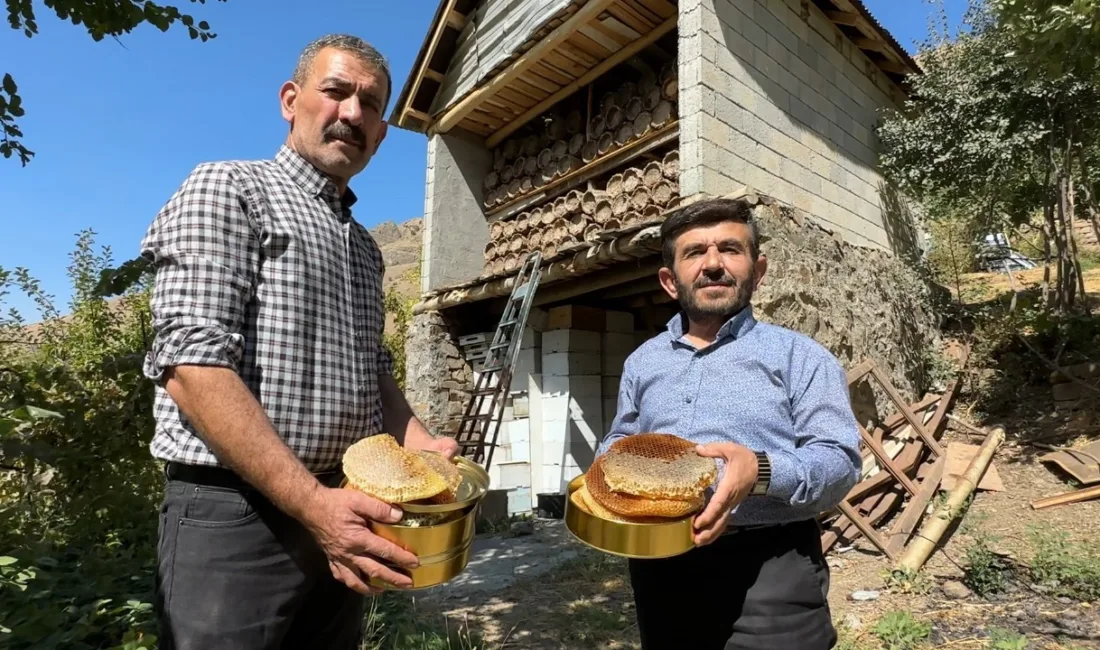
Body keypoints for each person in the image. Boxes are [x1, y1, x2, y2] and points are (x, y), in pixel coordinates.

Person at [139, 34, 458, 650]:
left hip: (342, 508)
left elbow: (373, 369)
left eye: (369, 105)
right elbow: (190, 364)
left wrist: (420, 446)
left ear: (382, 133)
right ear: (291, 99)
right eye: (335, 92)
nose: (351, 114)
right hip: (234, 517)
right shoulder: (229, 188)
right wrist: (314, 505)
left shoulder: (364, 247)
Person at [597, 197, 862, 649]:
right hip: (660, 564)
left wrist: (758, 472)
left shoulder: (801, 357)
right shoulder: (642, 362)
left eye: (730, 249)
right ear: (669, 279)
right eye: (695, 252)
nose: (713, 264)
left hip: (772, 571)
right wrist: (608, 466)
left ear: (757, 271)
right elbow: (623, 437)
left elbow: (839, 461)